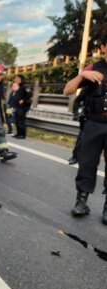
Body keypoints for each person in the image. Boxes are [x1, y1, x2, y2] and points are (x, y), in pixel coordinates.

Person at [63, 37, 107, 225]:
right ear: (103, 48)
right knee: (87, 162)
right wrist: (82, 76)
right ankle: (81, 201)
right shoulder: (93, 68)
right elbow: (67, 90)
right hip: (94, 122)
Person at [12, 75, 31, 139]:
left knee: (21, 121)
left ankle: (22, 134)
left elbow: (30, 94)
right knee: (16, 120)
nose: (15, 80)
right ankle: (18, 133)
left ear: (20, 79)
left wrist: (23, 100)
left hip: (23, 106)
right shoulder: (18, 87)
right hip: (17, 106)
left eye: (16, 78)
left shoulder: (24, 86)